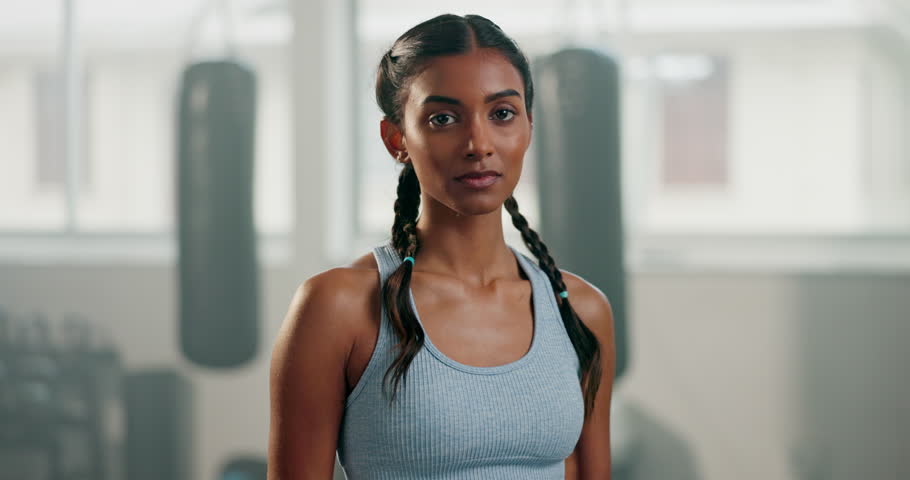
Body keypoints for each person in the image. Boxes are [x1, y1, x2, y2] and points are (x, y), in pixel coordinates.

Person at [268, 13, 615, 480]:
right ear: (397, 140)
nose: (478, 143)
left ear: (528, 127)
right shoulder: (338, 307)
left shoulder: (580, 309)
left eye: (502, 114)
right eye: (443, 118)